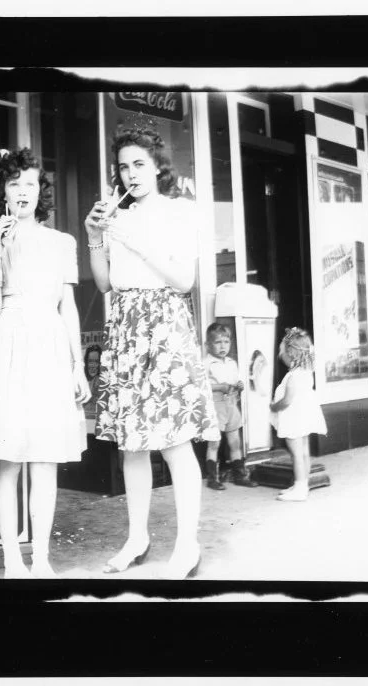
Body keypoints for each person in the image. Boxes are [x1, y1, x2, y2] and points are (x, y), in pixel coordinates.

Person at [85, 126, 219, 580]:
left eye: (139, 164)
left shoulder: (179, 212)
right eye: (123, 166)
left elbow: (184, 281)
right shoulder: (116, 213)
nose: (131, 173)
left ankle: (187, 544)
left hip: (163, 322)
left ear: (158, 165)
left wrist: (132, 238)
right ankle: (137, 538)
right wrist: (95, 235)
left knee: (175, 443)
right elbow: (104, 283)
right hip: (125, 323)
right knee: (132, 446)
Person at [0, 148, 89, 579]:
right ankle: (10, 558)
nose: (23, 191)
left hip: (50, 348)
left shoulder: (62, 242)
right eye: (14, 183)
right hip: (5, 343)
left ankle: (41, 558)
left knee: (44, 458)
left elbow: (69, 308)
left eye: (30, 183)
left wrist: (77, 365)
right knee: (8, 457)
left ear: (40, 191)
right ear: (1, 191)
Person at [269, 327, 327, 502]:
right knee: (304, 452)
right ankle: (302, 483)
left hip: (293, 419)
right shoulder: (307, 373)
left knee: (296, 454)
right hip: (304, 418)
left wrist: (273, 407)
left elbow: (287, 401)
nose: (281, 358)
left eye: (282, 354)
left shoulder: (293, 377)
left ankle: (300, 489)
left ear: (292, 354)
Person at [203, 323, 258, 491]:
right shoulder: (206, 363)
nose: (222, 346)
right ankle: (213, 478)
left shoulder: (232, 363)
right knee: (214, 443)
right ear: (208, 345)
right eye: (217, 342)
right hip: (215, 405)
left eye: (226, 342)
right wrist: (220, 387)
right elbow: (201, 387)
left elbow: (236, 381)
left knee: (235, 442)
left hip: (231, 404)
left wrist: (239, 385)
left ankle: (239, 475)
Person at [82, 344, 102, 417]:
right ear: (86, 362)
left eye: (96, 362)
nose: (93, 365)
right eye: (90, 361)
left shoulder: (102, 382)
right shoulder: (81, 380)